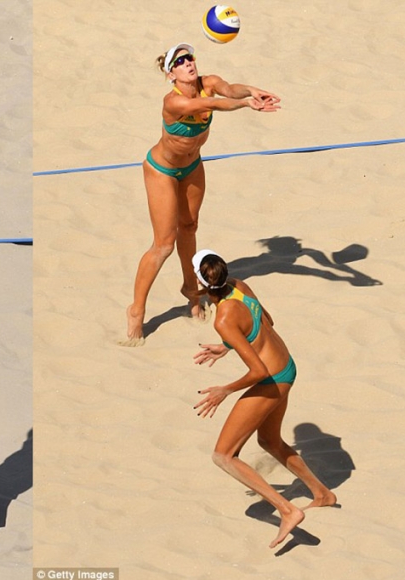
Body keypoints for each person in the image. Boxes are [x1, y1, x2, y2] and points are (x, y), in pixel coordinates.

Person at [122, 43, 280, 346]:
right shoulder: (173, 102)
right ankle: (136, 310)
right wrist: (247, 105)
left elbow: (229, 90)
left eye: (189, 58)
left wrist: (252, 91)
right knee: (164, 244)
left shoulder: (208, 83)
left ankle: (190, 291)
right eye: (180, 62)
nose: (188, 63)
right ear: (171, 74)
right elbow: (216, 106)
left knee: (190, 227)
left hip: (192, 166)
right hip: (162, 170)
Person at [191, 249, 336, 549]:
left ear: (202, 286)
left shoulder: (223, 320)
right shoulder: (240, 286)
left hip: (272, 378)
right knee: (269, 441)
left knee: (223, 455)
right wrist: (229, 345)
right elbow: (266, 320)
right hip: (287, 367)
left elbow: (257, 370)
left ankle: (288, 510)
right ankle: (322, 494)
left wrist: (224, 390)